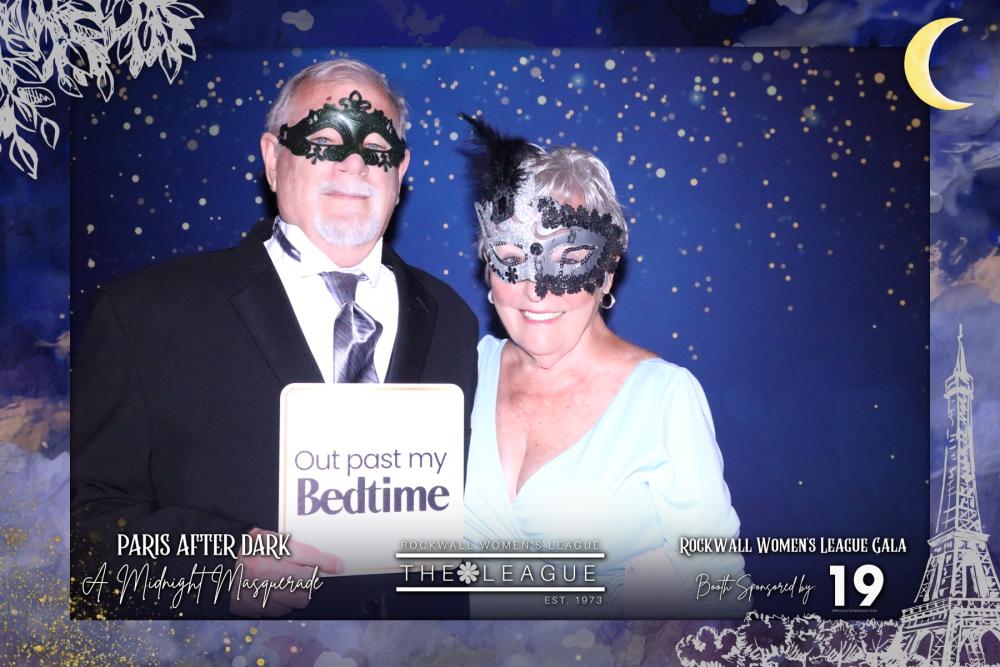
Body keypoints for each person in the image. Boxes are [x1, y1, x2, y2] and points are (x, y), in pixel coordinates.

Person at [70, 59, 478, 619]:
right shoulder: (144, 314)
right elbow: (81, 522)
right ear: (272, 158)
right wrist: (211, 570)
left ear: (401, 169)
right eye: (324, 142)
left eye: (377, 146)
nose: (354, 163)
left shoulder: (452, 318)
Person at [460, 116, 744, 618]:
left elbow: (720, 591)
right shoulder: (464, 369)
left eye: (569, 260)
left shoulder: (663, 398)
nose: (536, 290)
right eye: (510, 257)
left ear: (607, 271)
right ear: (488, 266)